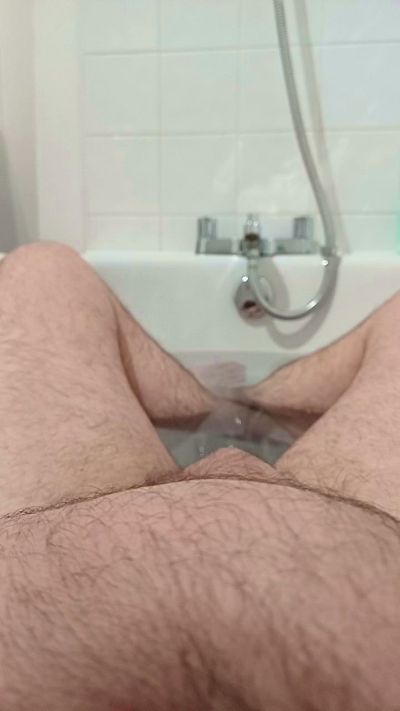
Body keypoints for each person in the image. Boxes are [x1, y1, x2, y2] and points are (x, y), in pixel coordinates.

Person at [0, 242, 399, 711]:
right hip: (374, 529)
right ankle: (248, 397)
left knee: (41, 272)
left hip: (46, 532)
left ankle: (220, 400)